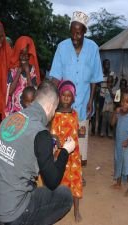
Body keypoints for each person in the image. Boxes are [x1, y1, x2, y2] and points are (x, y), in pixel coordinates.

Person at [0, 80, 75, 225]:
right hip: (10, 215)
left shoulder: (10, 119)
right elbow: (52, 181)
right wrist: (65, 151)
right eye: (55, 109)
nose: (53, 115)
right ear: (51, 106)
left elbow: (21, 151)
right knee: (65, 196)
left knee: (31, 185)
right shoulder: (41, 134)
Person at [50, 11, 103, 167]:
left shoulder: (93, 48)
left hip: (83, 103)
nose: (75, 37)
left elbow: (94, 79)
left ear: (85, 32)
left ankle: (78, 172)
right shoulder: (62, 47)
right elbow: (55, 77)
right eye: (72, 33)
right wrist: (52, 101)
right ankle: (63, 170)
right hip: (64, 104)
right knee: (63, 137)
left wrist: (91, 101)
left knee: (80, 138)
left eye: (78, 34)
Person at [51, 80, 83, 222]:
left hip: (74, 157)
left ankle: (76, 210)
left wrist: (81, 131)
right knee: (59, 183)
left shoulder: (75, 114)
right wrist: (56, 140)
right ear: (59, 96)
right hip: (61, 156)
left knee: (76, 183)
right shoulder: (55, 114)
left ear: (73, 98)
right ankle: (57, 209)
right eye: (63, 95)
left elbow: (77, 133)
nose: (65, 98)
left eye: (69, 96)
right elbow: (52, 134)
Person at [111, 89, 128, 196]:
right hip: (118, 144)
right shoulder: (119, 113)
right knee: (118, 161)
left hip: (127, 144)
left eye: (127, 102)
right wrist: (115, 112)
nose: (124, 104)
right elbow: (112, 123)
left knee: (127, 164)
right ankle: (118, 183)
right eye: (122, 101)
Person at [6, 36, 40, 115]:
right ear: (17, 53)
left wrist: (28, 73)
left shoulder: (32, 71)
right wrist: (18, 72)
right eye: (21, 54)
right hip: (14, 112)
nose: (24, 57)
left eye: (26, 54)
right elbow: (10, 92)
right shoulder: (12, 70)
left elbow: (34, 94)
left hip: (28, 113)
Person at [96, 59, 117, 135]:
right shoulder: (100, 74)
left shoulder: (112, 73)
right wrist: (100, 87)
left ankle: (109, 131)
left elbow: (116, 79)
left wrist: (112, 87)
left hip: (109, 96)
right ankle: (100, 131)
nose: (107, 66)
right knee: (102, 113)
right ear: (103, 65)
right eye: (105, 64)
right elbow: (97, 82)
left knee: (109, 115)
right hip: (102, 95)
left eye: (108, 64)